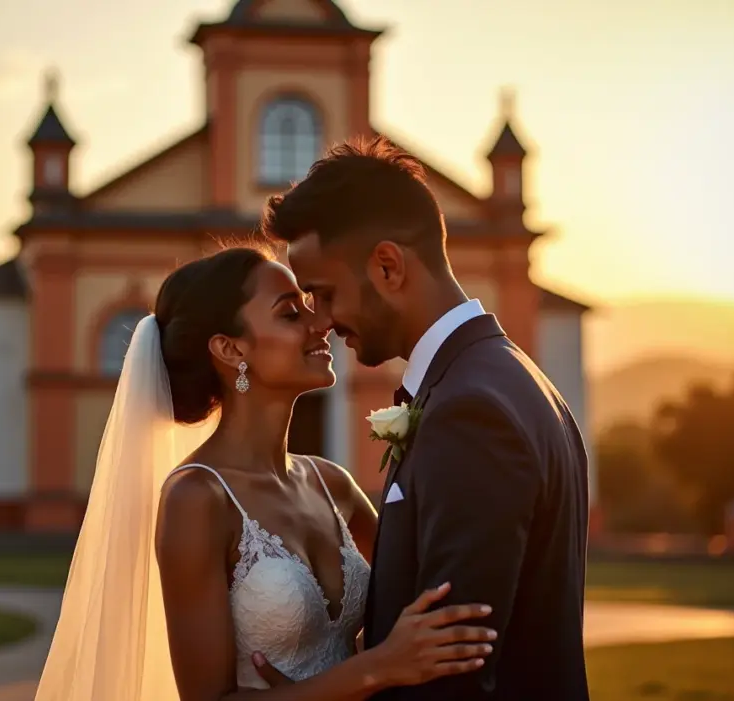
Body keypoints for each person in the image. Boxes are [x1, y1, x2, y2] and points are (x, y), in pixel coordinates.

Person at [33, 245, 497, 701]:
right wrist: (375, 670)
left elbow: (420, 590)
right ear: (230, 349)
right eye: (291, 314)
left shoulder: (332, 484)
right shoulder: (196, 498)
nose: (323, 324)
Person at [258, 136, 591, 700]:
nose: (324, 322)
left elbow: (451, 677)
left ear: (388, 265)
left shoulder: (470, 412)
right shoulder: (509, 378)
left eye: (326, 293)